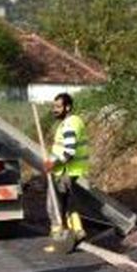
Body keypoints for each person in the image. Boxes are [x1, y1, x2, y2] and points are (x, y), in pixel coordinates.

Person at [43, 92, 90, 240]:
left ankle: (58, 232)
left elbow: (69, 151)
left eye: (58, 106)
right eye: (54, 106)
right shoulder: (71, 122)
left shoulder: (69, 124)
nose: (54, 109)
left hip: (66, 170)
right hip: (70, 170)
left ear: (67, 107)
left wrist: (53, 163)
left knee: (54, 203)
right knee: (68, 202)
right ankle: (77, 230)